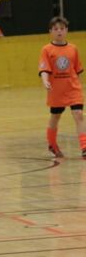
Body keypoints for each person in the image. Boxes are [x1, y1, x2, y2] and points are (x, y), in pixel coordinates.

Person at [39, 16, 86, 158]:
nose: (59, 31)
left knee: (78, 114)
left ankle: (85, 147)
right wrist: (45, 81)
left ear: (66, 30)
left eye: (62, 28)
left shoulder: (73, 49)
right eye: (55, 29)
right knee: (55, 116)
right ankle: (52, 144)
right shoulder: (47, 50)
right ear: (50, 31)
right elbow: (44, 69)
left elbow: (77, 70)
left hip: (73, 89)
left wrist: (77, 86)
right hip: (56, 90)